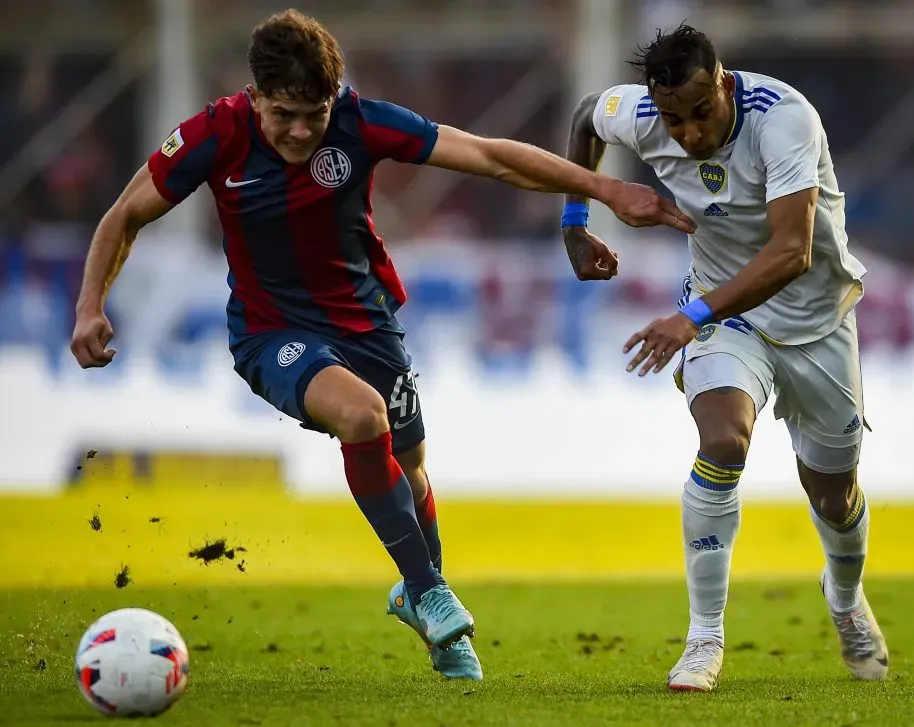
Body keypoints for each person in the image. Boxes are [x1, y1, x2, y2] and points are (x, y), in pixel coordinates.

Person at [69, 9, 695, 682]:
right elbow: (125, 214)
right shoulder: (213, 134)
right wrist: (89, 306)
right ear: (255, 97)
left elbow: (488, 156)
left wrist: (604, 187)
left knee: (412, 466)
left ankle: (422, 603)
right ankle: (428, 588)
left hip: (369, 324)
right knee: (362, 417)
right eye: (285, 115)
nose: (303, 132)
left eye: (316, 114)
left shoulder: (362, 123)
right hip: (271, 332)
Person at [560, 24, 887, 692]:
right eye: (673, 120)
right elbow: (585, 117)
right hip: (723, 315)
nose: (686, 134)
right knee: (723, 440)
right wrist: (574, 219)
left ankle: (846, 595)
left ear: (724, 83)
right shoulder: (646, 113)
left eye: (700, 113)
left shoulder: (784, 121)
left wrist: (689, 317)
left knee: (834, 492)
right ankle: (703, 638)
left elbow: (792, 253)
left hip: (817, 321)